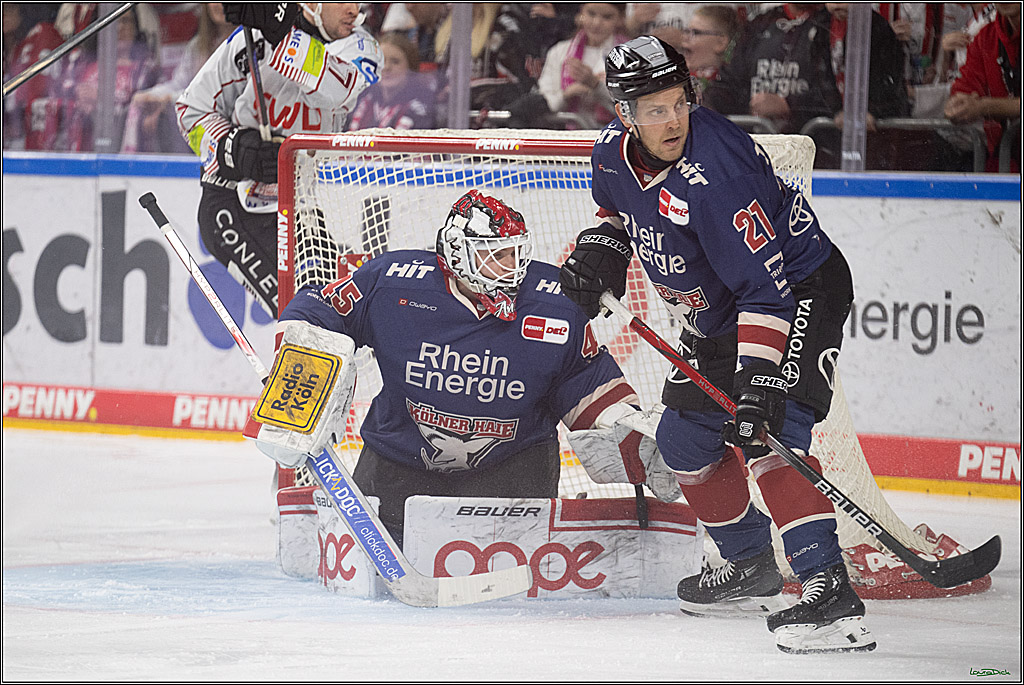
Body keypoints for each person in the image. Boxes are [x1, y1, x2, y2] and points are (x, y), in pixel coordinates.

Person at [558, 36, 872, 654]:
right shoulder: (609, 156)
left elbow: (767, 289)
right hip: (722, 313)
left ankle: (828, 592)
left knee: (770, 436)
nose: (671, 119)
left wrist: (758, 384)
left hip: (798, 291)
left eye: (678, 103)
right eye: (653, 109)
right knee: (685, 440)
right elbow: (616, 214)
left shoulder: (719, 174)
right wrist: (603, 251)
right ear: (624, 114)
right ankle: (750, 561)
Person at [274, 190, 665, 548]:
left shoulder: (555, 301)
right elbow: (318, 311)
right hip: (399, 462)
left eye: (515, 253)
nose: (511, 267)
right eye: (496, 256)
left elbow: (583, 379)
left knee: (516, 581)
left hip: (511, 468)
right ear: (458, 254)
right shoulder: (393, 284)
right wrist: (297, 376)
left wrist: (625, 431)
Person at [176, 3, 382, 317]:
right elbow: (190, 112)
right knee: (306, 317)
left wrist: (283, 36)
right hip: (234, 207)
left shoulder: (362, 47)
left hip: (301, 210)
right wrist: (234, 149)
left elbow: (335, 88)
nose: (354, 10)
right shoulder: (249, 42)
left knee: (338, 318)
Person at [702, 3, 842, 135]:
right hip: (756, 146)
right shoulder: (760, 24)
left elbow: (839, 94)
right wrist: (706, 104)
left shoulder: (832, 23)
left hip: (815, 145)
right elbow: (729, 82)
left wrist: (790, 104)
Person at [121, 3, 234, 154]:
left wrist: (169, 99)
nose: (219, 5)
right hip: (198, 133)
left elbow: (220, 95)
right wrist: (152, 95)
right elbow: (179, 83)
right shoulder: (197, 45)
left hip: (230, 135)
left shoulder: (245, 44)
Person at [944, 2, 1021, 172]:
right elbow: (964, 89)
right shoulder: (985, 37)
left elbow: (980, 105)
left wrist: (984, 106)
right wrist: (958, 105)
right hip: (1006, 163)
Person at [536, 3, 629, 128]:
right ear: (580, 14)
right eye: (591, 14)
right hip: (567, 135)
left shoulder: (630, 54)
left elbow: (633, 109)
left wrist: (596, 86)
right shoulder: (559, 52)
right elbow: (544, 101)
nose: (596, 23)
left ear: (620, 19)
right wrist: (566, 95)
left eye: (607, 17)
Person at [345, 32, 438, 131]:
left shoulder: (422, 110)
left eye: (395, 62)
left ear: (410, 67)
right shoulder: (359, 99)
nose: (386, 67)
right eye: (381, 61)